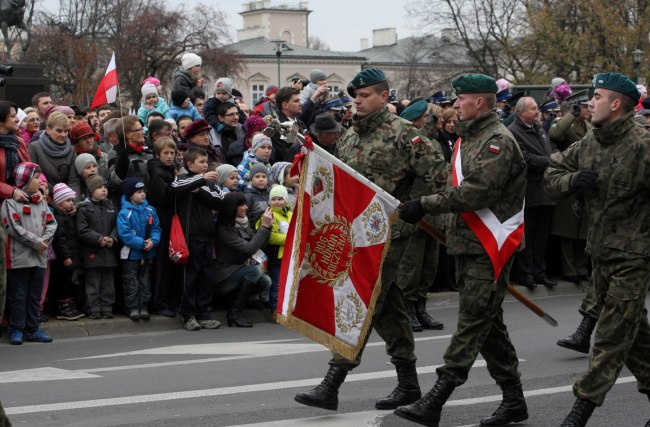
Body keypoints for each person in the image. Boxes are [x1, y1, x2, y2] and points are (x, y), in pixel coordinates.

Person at [293, 68, 447, 413]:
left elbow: (437, 178)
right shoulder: (349, 136)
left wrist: (413, 210)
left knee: (363, 301)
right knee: (386, 302)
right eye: (355, 97)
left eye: (363, 96)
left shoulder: (406, 135)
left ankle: (332, 383)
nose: (357, 102)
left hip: (391, 232)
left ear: (383, 96)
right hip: (355, 234)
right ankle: (408, 383)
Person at [397, 73, 528, 427]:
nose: (455, 105)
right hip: (467, 244)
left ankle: (436, 399)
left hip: (490, 246)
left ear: (480, 102)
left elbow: (476, 193)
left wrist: (424, 204)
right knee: (489, 325)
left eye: (461, 99)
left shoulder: (497, 141)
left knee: (472, 324)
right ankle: (514, 400)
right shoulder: (468, 139)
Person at [543, 72, 650, 427]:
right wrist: (571, 181)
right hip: (599, 256)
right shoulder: (590, 142)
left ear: (616, 104)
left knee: (609, 339)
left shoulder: (642, 146)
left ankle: (578, 415)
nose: (590, 102)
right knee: (636, 341)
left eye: (598, 96)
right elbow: (552, 174)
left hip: (634, 258)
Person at [397, 99, 444, 332]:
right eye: (430, 118)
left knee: (429, 265)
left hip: (432, 210)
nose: (436, 123)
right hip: (414, 212)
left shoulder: (434, 143)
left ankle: (421, 308)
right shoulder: (413, 141)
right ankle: (407, 309)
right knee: (411, 266)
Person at [2, 162, 57, 345]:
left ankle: (33, 328)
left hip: (39, 258)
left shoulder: (41, 203)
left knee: (35, 295)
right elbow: (12, 227)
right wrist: (35, 242)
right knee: (18, 294)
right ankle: (16, 328)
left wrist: (45, 241)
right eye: (35, 177)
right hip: (19, 259)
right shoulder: (10, 203)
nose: (39, 181)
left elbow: (51, 223)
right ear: (24, 180)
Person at [171, 147, 224, 331]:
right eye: (201, 162)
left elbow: (219, 201)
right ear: (189, 164)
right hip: (189, 237)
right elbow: (177, 188)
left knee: (205, 277)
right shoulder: (183, 179)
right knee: (189, 277)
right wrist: (200, 180)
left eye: (206, 162)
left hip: (207, 237)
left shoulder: (209, 183)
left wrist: (200, 190)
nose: (205, 165)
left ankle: (203, 314)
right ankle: (188, 315)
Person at [508, 96, 557, 289]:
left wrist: (553, 155)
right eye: (534, 109)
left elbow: (548, 149)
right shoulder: (514, 132)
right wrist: (550, 160)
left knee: (541, 236)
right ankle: (525, 273)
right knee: (527, 235)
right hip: (528, 192)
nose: (538, 111)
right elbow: (524, 159)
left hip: (544, 190)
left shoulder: (539, 128)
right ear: (522, 112)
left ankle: (539, 271)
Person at [214, 192, 273, 327]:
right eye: (241, 204)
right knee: (253, 272)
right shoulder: (224, 230)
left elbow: (258, 246)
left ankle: (233, 304)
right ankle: (234, 312)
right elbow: (249, 249)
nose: (246, 207)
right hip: (222, 274)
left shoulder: (244, 224)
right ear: (232, 207)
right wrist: (263, 227)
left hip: (238, 271)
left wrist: (267, 227)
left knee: (265, 281)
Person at [0, 101, 31, 337]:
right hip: (3, 207)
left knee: (19, 268)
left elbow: (29, 170)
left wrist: (38, 186)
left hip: (20, 210)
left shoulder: (19, 142)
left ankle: (19, 322)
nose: (16, 119)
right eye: (12, 116)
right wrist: (10, 191)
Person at [117, 177, 161, 321]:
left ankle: (143, 306)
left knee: (145, 281)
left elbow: (156, 228)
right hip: (131, 254)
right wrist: (142, 243)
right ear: (130, 195)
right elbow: (125, 234)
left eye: (144, 191)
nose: (143, 194)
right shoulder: (125, 213)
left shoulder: (150, 210)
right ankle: (132, 307)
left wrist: (153, 241)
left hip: (147, 253)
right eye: (139, 192)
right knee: (131, 281)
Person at [147, 137, 182, 317]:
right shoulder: (158, 172)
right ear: (157, 154)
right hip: (162, 221)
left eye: (172, 153)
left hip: (172, 221)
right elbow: (164, 196)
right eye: (166, 153)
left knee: (173, 262)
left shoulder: (170, 170)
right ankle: (159, 303)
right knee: (162, 263)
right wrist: (179, 182)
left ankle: (171, 301)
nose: (169, 157)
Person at [76, 174, 118, 319]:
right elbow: (82, 230)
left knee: (108, 282)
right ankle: (93, 307)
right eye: (99, 187)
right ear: (91, 190)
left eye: (105, 187)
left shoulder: (111, 206)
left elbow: (116, 226)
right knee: (93, 282)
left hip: (109, 252)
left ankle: (107, 307)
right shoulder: (84, 208)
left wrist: (113, 238)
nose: (104, 190)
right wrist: (99, 238)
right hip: (92, 252)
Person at [50, 183, 85, 321]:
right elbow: (60, 239)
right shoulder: (59, 218)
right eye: (68, 201)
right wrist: (66, 256)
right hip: (64, 258)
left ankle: (70, 306)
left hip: (71, 256)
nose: (72, 203)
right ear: (59, 202)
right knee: (63, 283)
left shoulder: (67, 215)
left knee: (70, 282)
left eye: (72, 200)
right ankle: (63, 308)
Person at [255, 185, 292, 312]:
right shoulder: (268, 215)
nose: (277, 202)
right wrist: (291, 238)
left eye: (280, 199)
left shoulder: (290, 214)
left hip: (290, 255)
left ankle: (286, 309)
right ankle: (276, 310)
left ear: (286, 200)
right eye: (274, 199)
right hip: (276, 256)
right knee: (277, 284)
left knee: (288, 284)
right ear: (270, 201)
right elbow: (272, 238)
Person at [27, 111, 81, 196]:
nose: (63, 135)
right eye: (59, 131)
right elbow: (34, 178)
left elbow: (74, 181)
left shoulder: (71, 149)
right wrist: (59, 196)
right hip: (45, 197)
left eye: (66, 131)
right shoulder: (34, 148)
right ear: (48, 130)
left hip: (68, 199)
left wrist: (73, 201)